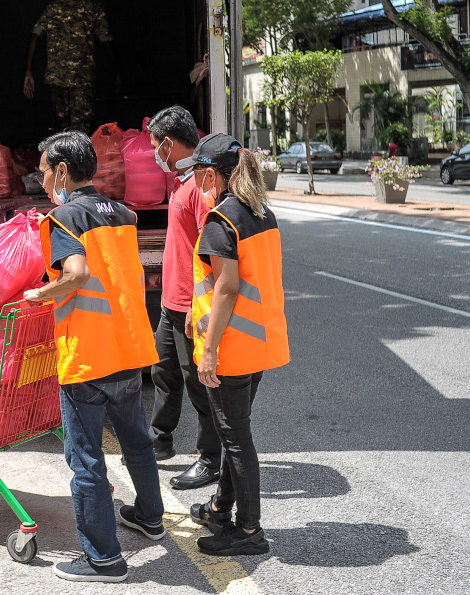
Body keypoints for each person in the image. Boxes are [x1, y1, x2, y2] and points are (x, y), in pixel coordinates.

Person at [22, 131, 160, 583]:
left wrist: (40, 292)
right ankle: (150, 518)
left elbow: (77, 275)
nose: (42, 180)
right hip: (129, 344)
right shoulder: (122, 212)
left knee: (86, 461)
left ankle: (103, 559)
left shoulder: (64, 218)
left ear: (62, 170)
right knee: (136, 439)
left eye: (43, 170)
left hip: (89, 354)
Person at [181, 133, 290, 557]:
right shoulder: (261, 213)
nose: (194, 183)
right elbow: (224, 282)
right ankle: (220, 506)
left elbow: (228, 287)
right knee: (233, 436)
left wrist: (209, 350)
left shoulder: (221, 220)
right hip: (258, 341)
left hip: (231, 347)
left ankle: (249, 532)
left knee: (236, 437)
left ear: (211, 175)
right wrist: (196, 307)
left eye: (195, 174)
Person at [145, 106, 223, 492]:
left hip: (190, 305)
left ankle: (211, 458)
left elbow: (212, 252)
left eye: (155, 146)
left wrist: (198, 306)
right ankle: (158, 442)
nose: (154, 154)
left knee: (198, 383)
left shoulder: (199, 187)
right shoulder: (181, 181)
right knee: (163, 373)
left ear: (169, 144)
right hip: (170, 302)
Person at [23, 0, 121, 133]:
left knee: (63, 121)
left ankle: (65, 155)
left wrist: (28, 71)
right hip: (81, 77)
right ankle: (78, 156)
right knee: (81, 123)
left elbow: (35, 36)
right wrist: (117, 69)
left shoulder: (54, 6)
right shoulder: (93, 8)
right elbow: (106, 41)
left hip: (57, 77)